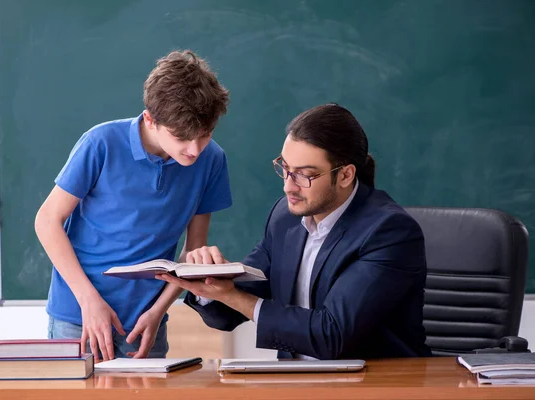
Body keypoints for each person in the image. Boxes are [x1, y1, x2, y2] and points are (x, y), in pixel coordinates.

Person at [159, 103, 432, 360]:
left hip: (376, 386)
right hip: (297, 382)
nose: (289, 187)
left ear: (346, 175)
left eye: (305, 175)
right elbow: (229, 311)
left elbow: (332, 334)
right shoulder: (285, 218)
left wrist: (232, 295)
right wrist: (208, 286)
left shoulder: (389, 232)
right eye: (285, 169)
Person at [34, 50, 232, 362]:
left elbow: (191, 254)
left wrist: (158, 312)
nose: (194, 150)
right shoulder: (100, 143)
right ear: (150, 119)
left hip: (144, 323)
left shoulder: (212, 160)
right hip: (78, 316)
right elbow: (47, 221)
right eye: (182, 137)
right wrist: (88, 302)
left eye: (205, 135)